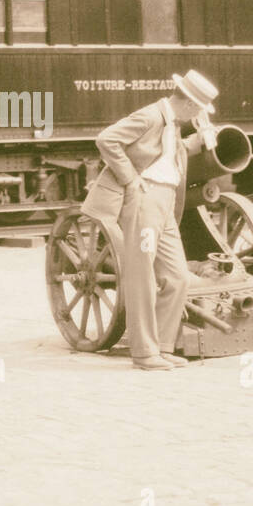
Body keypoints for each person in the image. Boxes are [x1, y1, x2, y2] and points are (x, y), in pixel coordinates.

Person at [80, 69, 219, 371]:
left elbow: (168, 156)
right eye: (199, 109)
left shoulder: (173, 124)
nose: (198, 114)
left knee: (178, 276)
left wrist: (205, 137)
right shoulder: (151, 116)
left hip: (165, 203)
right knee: (141, 275)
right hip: (145, 201)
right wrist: (130, 179)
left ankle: (163, 347)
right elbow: (106, 139)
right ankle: (144, 353)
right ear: (190, 104)